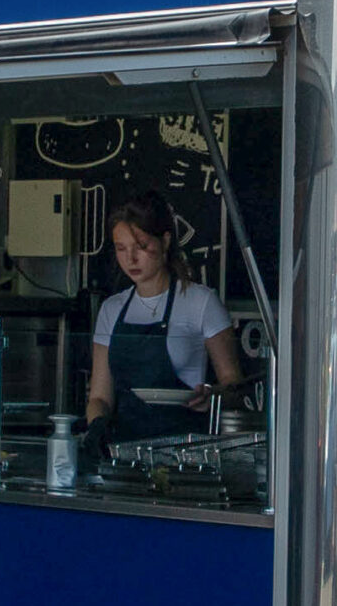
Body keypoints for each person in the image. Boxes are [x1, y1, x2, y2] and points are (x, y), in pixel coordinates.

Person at [82, 191, 246, 453]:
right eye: (121, 249)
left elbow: (235, 388)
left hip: (186, 457)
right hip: (125, 455)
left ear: (165, 241)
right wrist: (97, 425)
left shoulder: (201, 302)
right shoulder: (111, 310)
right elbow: (100, 397)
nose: (130, 259)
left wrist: (212, 395)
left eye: (141, 246)